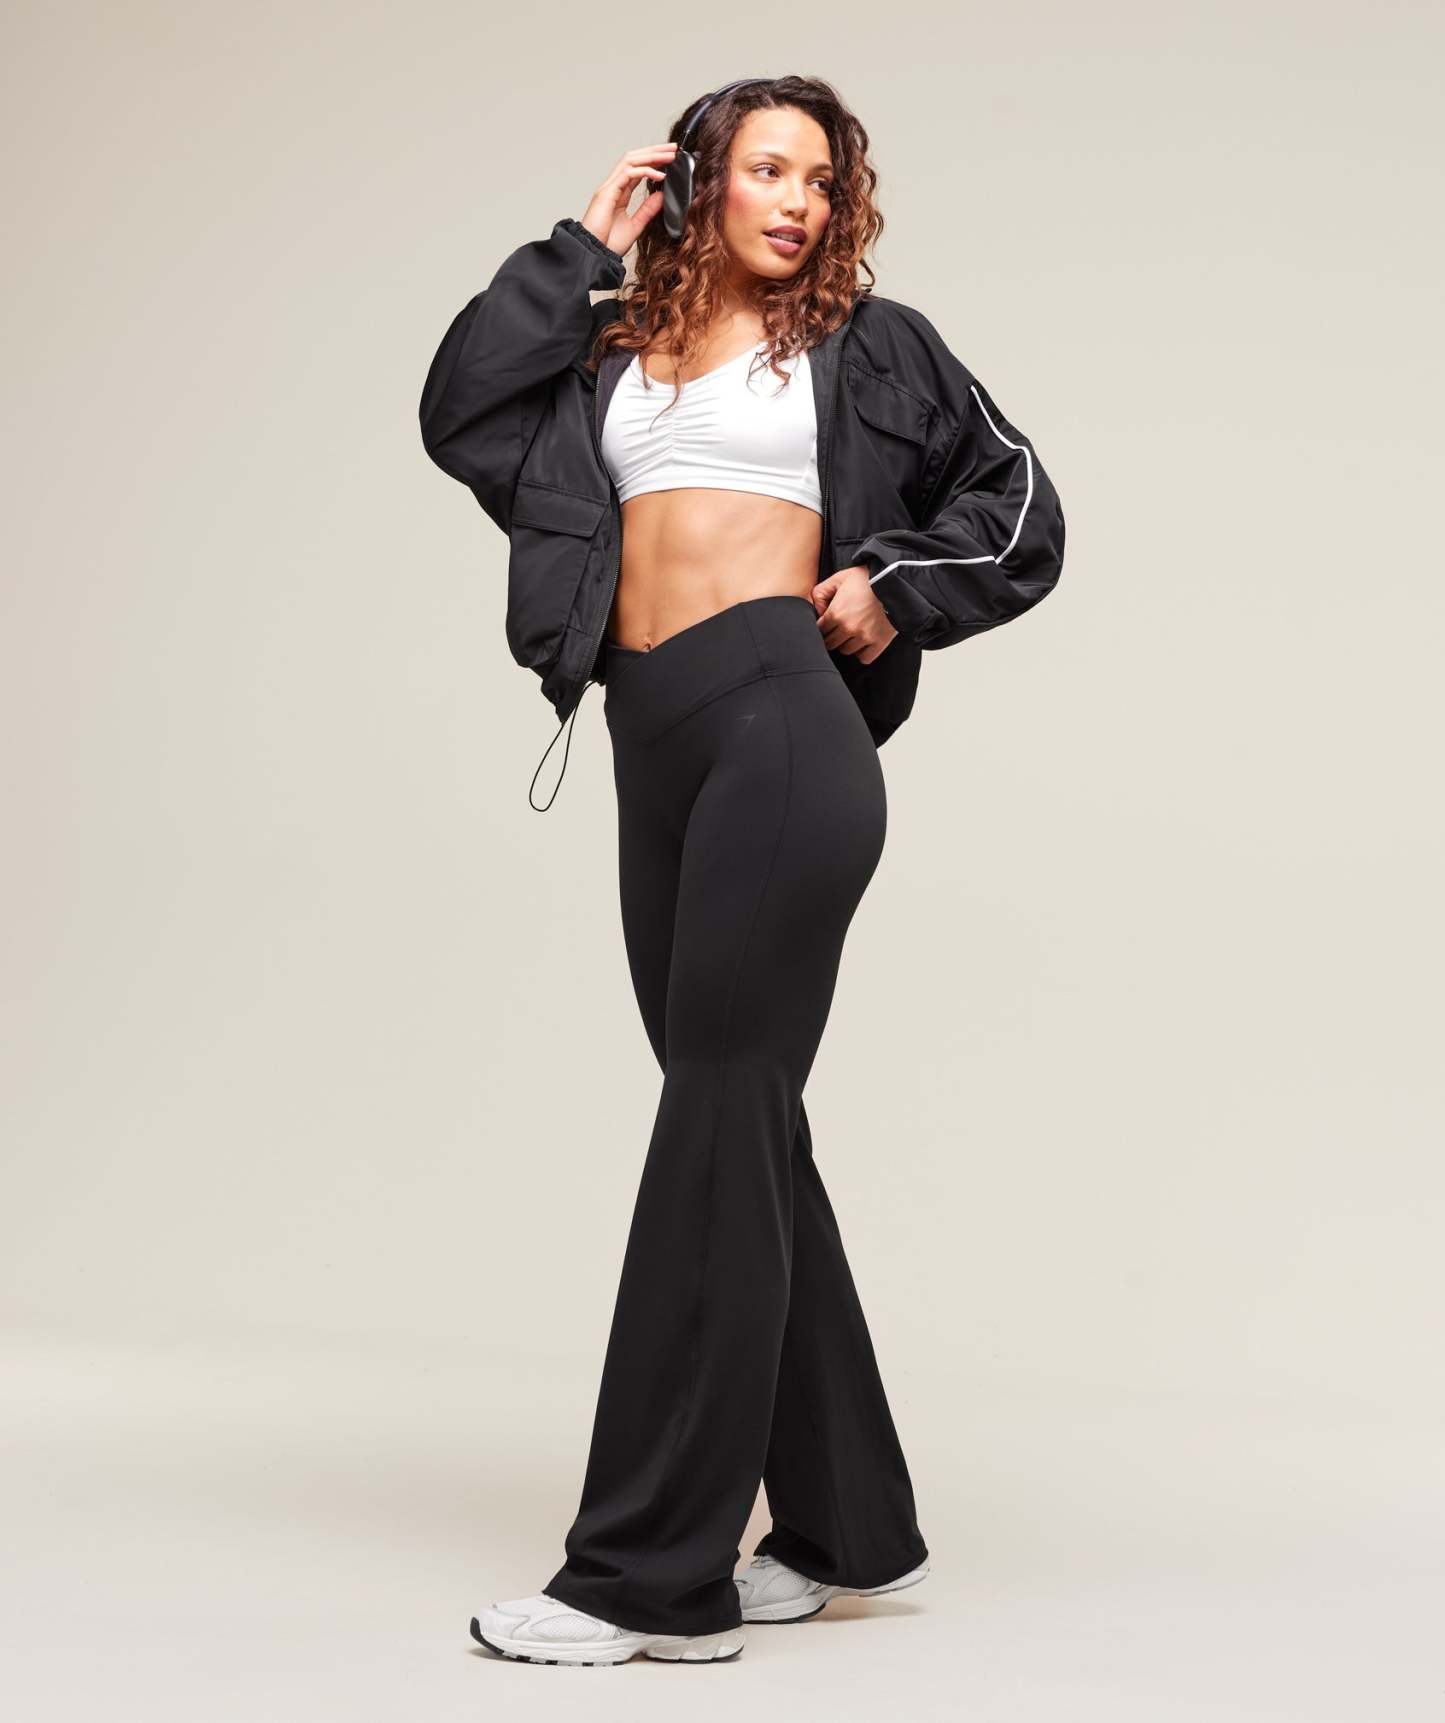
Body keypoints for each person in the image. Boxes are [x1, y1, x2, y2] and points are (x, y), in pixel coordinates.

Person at [419, 75, 1066, 1668]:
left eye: (821, 181)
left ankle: (650, 1580)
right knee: (743, 1123)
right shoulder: (605, 343)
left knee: (716, 1108)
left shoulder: (874, 346)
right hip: (653, 737)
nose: (797, 202)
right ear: (699, 180)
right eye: (768, 169)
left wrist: (896, 582)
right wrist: (575, 248)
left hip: (782, 717)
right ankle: (847, 1528)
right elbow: (460, 414)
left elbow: (1021, 509)